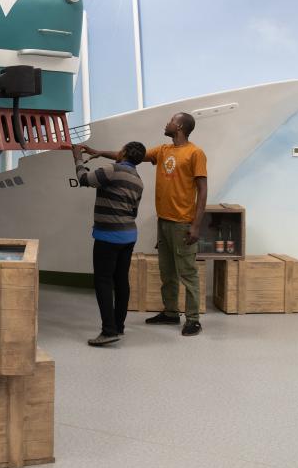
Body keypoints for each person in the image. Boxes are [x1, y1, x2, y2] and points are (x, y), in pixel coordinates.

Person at [83, 112, 207, 336]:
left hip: (183, 222)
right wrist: (99, 152)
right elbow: (131, 156)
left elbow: (202, 190)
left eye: (171, 120)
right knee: (167, 271)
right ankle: (171, 312)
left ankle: (193, 319)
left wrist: (196, 225)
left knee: (187, 272)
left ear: (179, 126)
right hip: (164, 221)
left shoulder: (195, 153)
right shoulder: (163, 150)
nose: (167, 123)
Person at [72, 140, 146, 347]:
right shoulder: (138, 180)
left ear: (123, 152)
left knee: (103, 281)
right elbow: (134, 211)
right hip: (129, 236)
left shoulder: (112, 170)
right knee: (121, 281)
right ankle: (119, 326)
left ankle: (108, 331)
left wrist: (77, 158)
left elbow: (84, 179)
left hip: (108, 236)